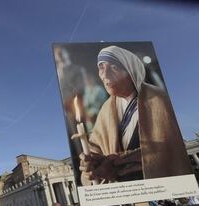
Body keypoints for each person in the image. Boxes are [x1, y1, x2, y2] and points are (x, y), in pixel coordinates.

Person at [79, 45, 192, 184]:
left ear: (130, 70)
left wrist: (126, 160)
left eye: (114, 67)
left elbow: (174, 147)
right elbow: (94, 152)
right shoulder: (105, 110)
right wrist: (91, 165)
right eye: (101, 67)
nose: (105, 75)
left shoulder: (160, 99)